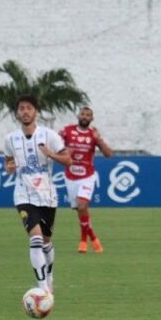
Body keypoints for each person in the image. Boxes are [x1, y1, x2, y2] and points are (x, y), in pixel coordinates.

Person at [3, 95, 72, 294]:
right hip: (23, 194)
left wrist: (51, 154)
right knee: (36, 239)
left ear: (36, 112)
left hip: (47, 195)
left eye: (29, 108)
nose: (25, 111)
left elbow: (68, 160)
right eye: (22, 108)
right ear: (17, 113)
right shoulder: (10, 139)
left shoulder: (49, 135)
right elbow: (7, 163)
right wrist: (9, 167)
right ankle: (42, 288)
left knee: (47, 241)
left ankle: (49, 276)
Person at [59, 106, 114, 253]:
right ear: (78, 116)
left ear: (92, 119)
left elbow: (109, 154)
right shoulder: (67, 131)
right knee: (80, 211)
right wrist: (65, 152)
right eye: (82, 114)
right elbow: (54, 146)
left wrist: (99, 140)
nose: (84, 116)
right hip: (70, 176)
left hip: (87, 176)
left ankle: (83, 241)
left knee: (82, 206)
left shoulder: (93, 135)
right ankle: (94, 238)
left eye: (88, 115)